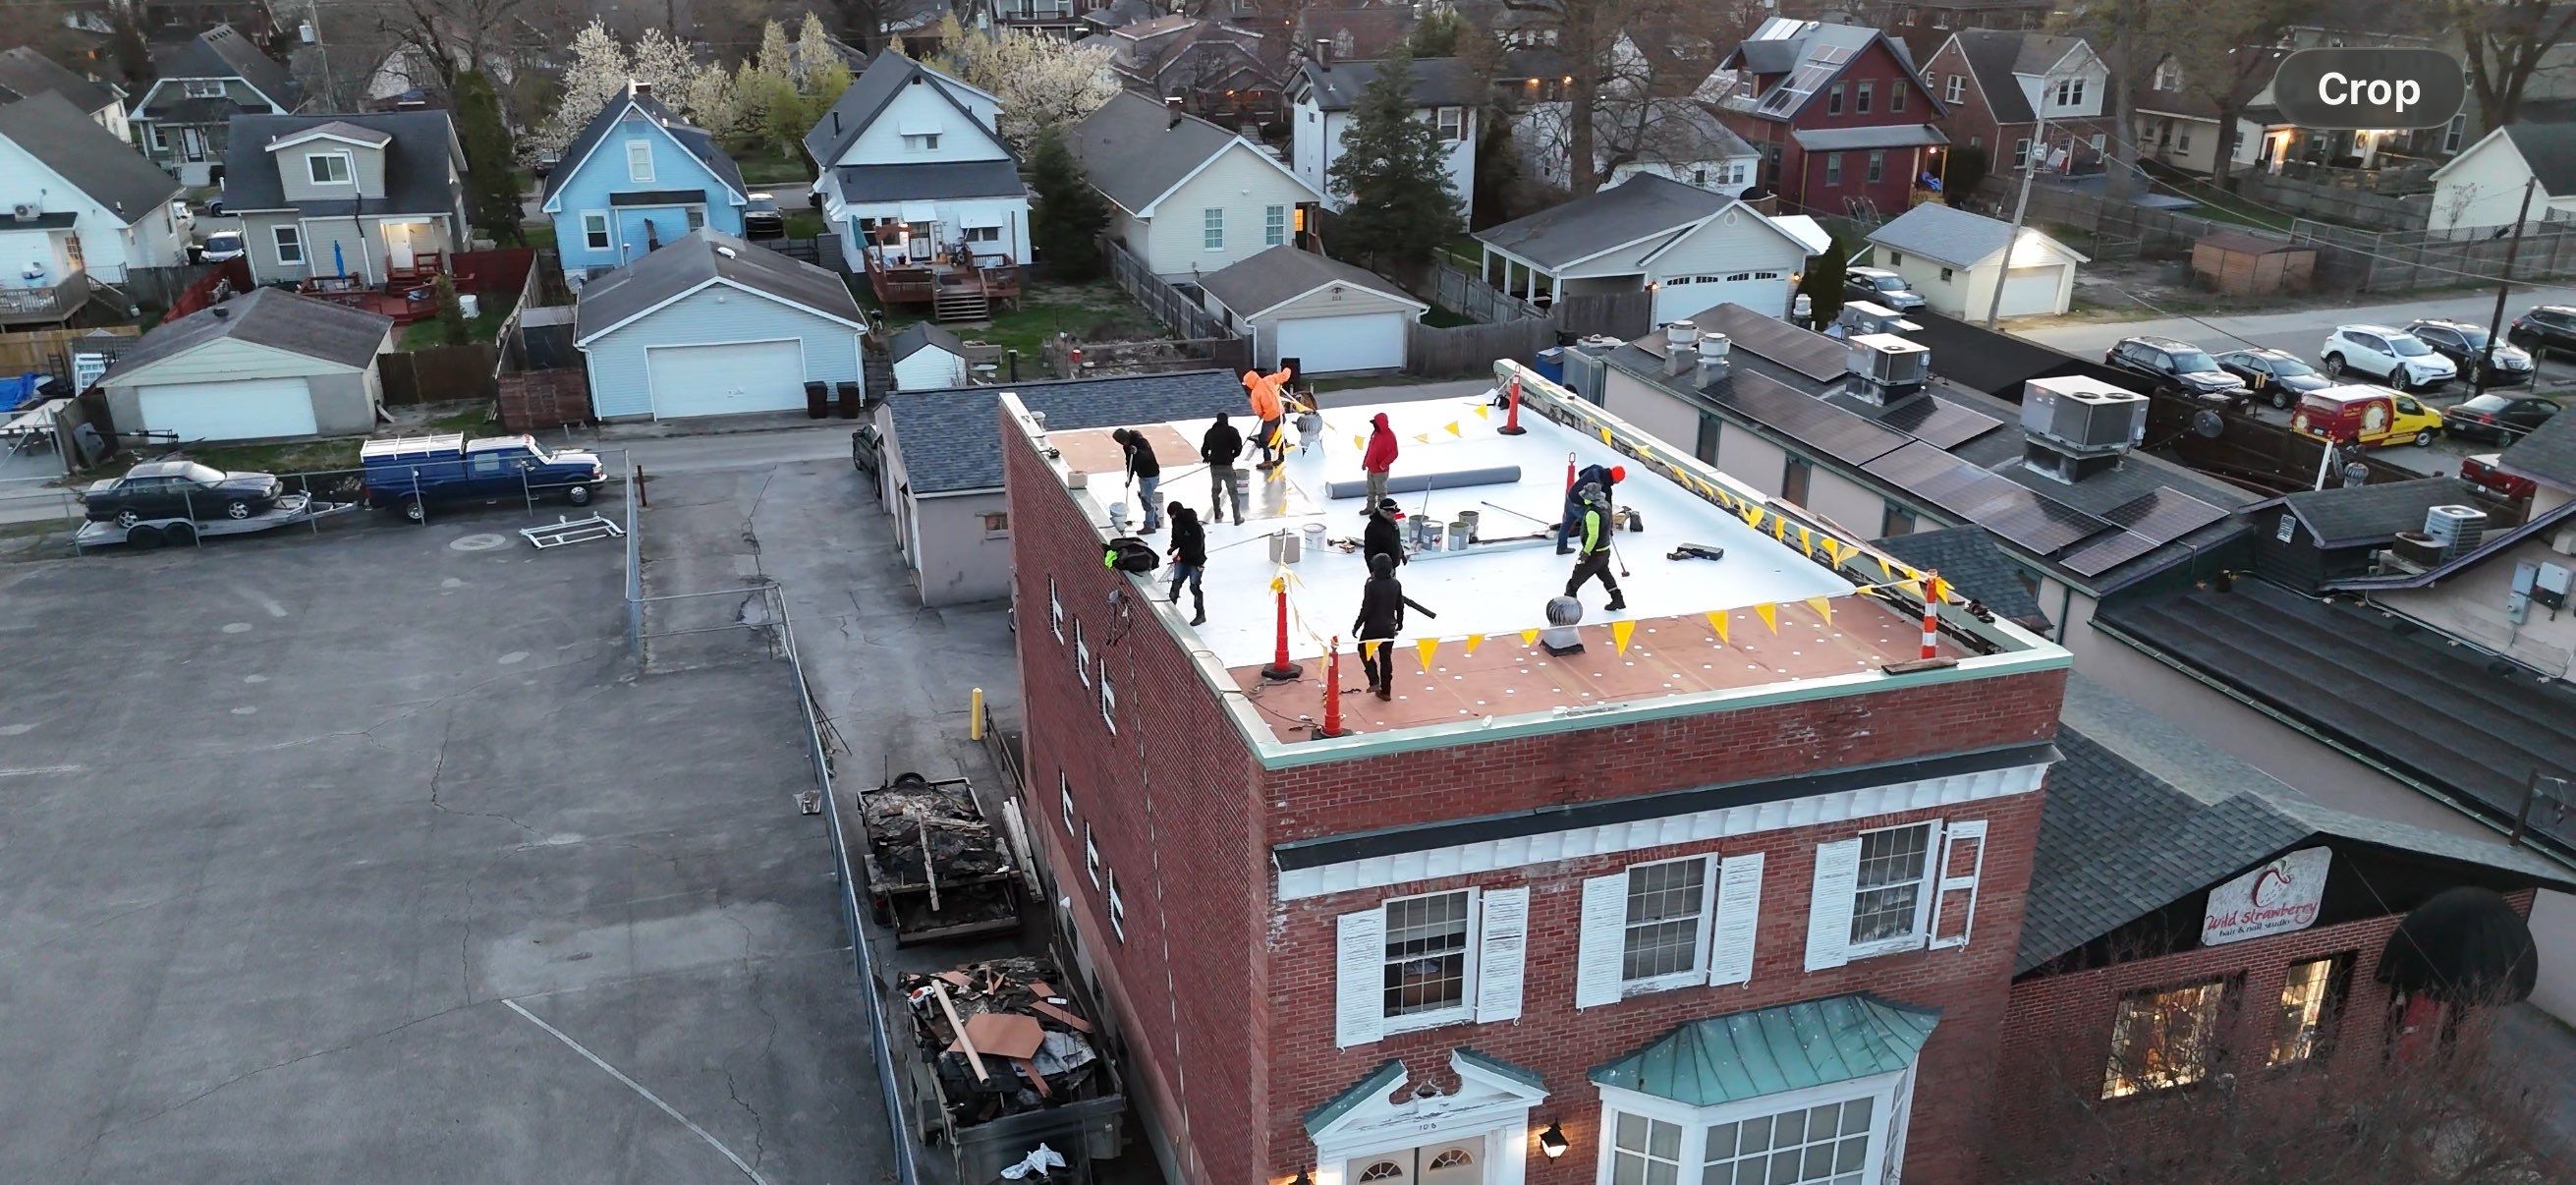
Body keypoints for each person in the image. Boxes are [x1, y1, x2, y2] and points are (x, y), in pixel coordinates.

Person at [1353, 552, 1412, 701]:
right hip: (1388, 627)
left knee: (1363, 650)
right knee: (1386, 658)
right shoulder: (1396, 584)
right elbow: (1400, 606)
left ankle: (1374, 680)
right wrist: (1400, 622)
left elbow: (1365, 609)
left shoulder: (1371, 585)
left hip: (1372, 627)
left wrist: (1356, 626)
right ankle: (1386, 691)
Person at [1564, 481, 1625, 612]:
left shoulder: (1592, 512)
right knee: (1605, 574)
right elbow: (1608, 524)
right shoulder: (1606, 506)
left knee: (1574, 581)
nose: (1584, 498)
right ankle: (1617, 599)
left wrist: (1585, 552)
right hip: (1604, 551)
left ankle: (1567, 608)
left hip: (1594, 553)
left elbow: (1593, 536)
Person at [1558, 463, 1625, 554]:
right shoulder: (1606, 488)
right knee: (1589, 529)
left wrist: (1583, 484)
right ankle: (1588, 553)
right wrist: (1609, 527)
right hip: (1580, 505)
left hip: (1571, 496)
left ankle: (1561, 548)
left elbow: (1581, 473)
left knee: (1566, 524)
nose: (1618, 483)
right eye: (1619, 481)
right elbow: (1607, 509)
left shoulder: (1596, 468)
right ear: (1616, 479)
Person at [1201, 413, 1247, 524]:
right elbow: (1238, 448)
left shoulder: (1210, 433)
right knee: (1233, 492)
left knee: (1215, 490)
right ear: (1226, 420)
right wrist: (1232, 456)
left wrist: (1206, 457)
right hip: (1227, 466)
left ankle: (1217, 513)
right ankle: (1237, 518)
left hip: (1214, 467)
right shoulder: (1232, 431)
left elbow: (1204, 449)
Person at [1244, 367, 1294, 468]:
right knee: (1280, 437)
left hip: (1270, 418)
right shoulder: (1269, 379)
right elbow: (1284, 376)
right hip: (1280, 414)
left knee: (1263, 439)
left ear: (1250, 382)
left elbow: (1257, 408)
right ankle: (1281, 459)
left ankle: (1267, 461)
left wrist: (1261, 415)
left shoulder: (1255, 392)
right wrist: (1287, 369)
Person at [1164, 501, 1205, 625]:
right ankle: (1170, 613)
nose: (1172, 517)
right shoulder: (1176, 522)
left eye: (1173, 514)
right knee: (1176, 584)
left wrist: (1181, 556)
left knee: (1194, 587)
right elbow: (1176, 537)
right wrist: (1173, 547)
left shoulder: (1194, 526)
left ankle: (1200, 614)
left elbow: (1197, 546)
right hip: (1182, 559)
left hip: (1195, 561)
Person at [1116, 428, 1162, 534]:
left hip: (1151, 476)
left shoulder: (1141, 441)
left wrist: (1137, 452)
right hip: (1142, 476)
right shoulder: (1126, 447)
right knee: (1147, 498)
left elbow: (1147, 455)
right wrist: (1129, 479)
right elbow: (1130, 463)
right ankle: (1155, 520)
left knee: (1146, 501)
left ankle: (1150, 526)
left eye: (1122, 441)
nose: (1123, 444)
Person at [1362, 412, 1399, 508]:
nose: (1374, 425)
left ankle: (1381, 512)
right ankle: (1370, 508)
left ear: (1380, 424)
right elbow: (1370, 449)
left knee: (1381, 493)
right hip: (1371, 468)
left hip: (1381, 471)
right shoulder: (1375, 434)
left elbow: (1394, 453)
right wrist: (1365, 462)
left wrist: (1383, 464)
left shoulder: (1390, 436)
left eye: (1375, 424)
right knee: (1370, 491)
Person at [1362, 496, 1406, 572]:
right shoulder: (1373, 528)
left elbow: (1396, 540)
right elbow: (1369, 552)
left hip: (1392, 564)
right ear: (1388, 513)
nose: (1395, 515)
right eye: (1394, 513)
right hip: (1381, 569)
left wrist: (1401, 554)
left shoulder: (1391, 521)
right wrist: (1372, 570)